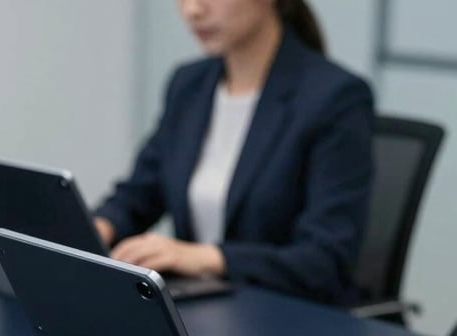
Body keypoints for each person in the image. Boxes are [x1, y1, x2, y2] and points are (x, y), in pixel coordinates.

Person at [94, 0, 374, 304]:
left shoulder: (335, 97)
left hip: (285, 316)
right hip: (202, 308)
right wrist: (96, 228)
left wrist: (206, 258)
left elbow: (324, 260)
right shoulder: (189, 85)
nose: (192, 10)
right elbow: (140, 194)